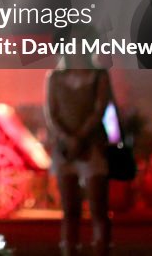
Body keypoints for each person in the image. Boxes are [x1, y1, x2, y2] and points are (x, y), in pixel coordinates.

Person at [44, 36, 113, 256]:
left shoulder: (99, 76)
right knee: (69, 208)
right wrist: (66, 137)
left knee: (97, 207)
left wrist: (80, 137)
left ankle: (101, 248)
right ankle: (69, 249)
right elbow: (51, 112)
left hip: (91, 145)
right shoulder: (55, 77)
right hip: (64, 147)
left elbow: (100, 109)